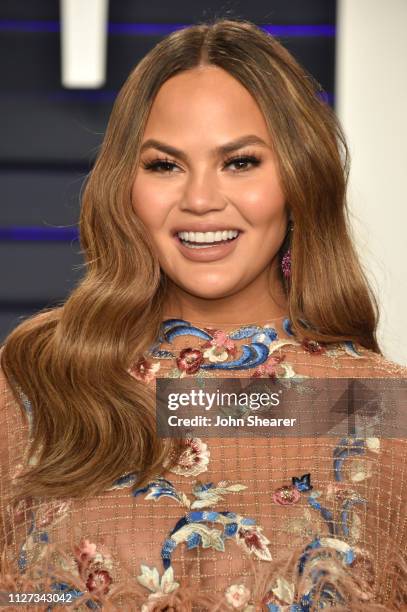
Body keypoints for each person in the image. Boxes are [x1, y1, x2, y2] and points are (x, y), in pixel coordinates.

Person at [1, 18, 406, 611]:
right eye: (165, 165)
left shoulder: (374, 405)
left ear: (299, 177)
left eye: (239, 162)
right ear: (125, 187)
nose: (199, 199)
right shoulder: (38, 384)